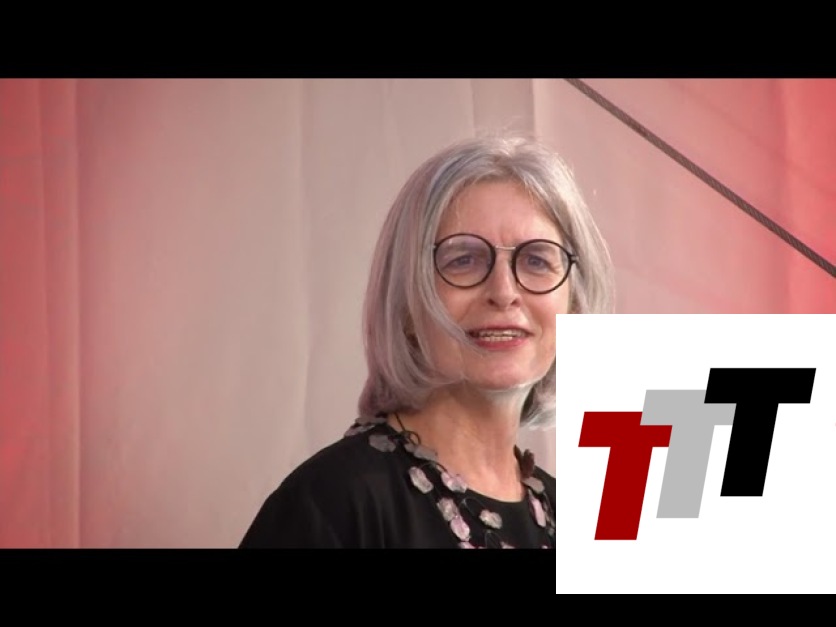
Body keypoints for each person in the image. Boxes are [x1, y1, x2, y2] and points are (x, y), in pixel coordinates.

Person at [239, 131, 615, 548]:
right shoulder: (332, 504)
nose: (504, 291)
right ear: (405, 303)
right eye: (464, 259)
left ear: (574, 304)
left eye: (536, 260)